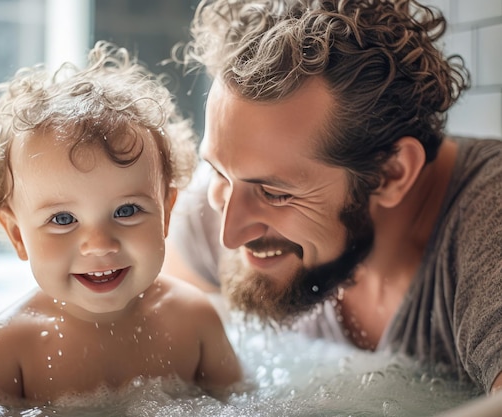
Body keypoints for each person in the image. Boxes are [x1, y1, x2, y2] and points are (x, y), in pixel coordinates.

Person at [162, 0, 502, 395]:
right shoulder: (223, 195)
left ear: (391, 173)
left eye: (275, 193)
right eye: (219, 171)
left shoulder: (488, 219)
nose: (229, 235)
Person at [0, 41, 241, 405]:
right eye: (63, 219)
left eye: (126, 211)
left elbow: (244, 407)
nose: (100, 244)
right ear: (17, 235)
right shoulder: (8, 347)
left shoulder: (193, 319)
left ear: (167, 212)